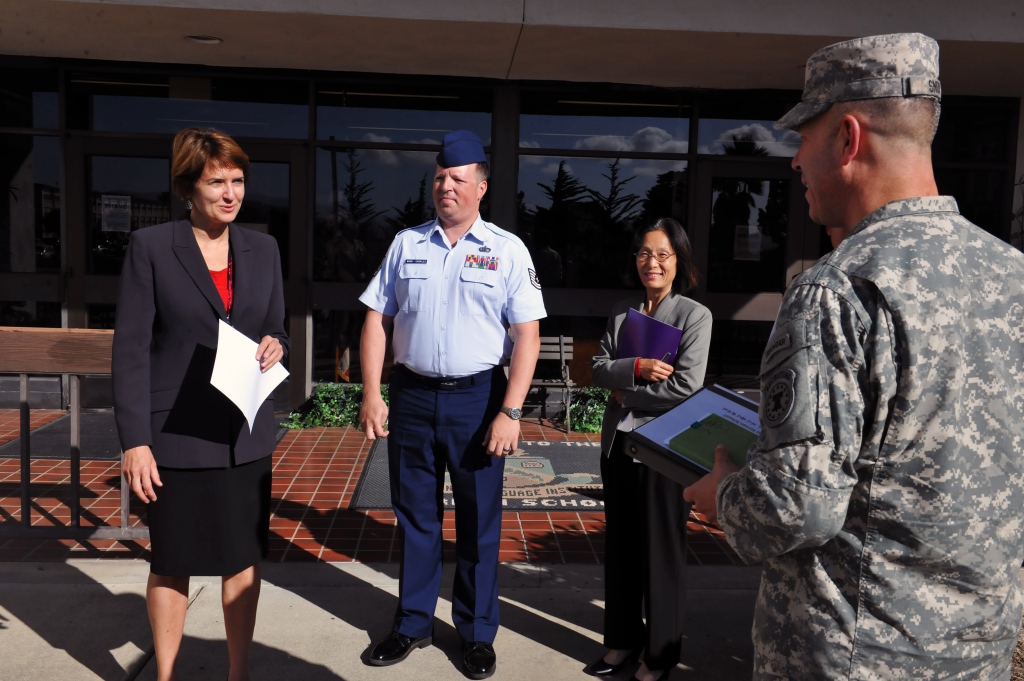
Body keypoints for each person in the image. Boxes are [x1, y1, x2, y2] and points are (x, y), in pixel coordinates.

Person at [683, 33, 1024, 679]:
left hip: (855, 657)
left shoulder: (838, 287)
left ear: (847, 137)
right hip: (978, 653)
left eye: (803, 138)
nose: (794, 161)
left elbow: (795, 506)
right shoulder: (1012, 274)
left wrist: (720, 495)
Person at [357, 130, 545, 679]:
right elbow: (376, 319)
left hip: (478, 401)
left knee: (479, 522)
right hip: (412, 397)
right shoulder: (406, 245)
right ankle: (413, 622)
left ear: (480, 187)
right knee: (416, 517)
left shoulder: (506, 250)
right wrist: (372, 392)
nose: (446, 187)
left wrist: (511, 411)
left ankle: (477, 632)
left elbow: (527, 336)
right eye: (440, 177)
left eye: (458, 179)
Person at [113, 127, 288, 681]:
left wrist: (277, 343)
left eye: (237, 180)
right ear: (188, 187)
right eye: (217, 182)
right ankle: (166, 674)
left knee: (242, 559)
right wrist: (135, 442)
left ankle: (239, 673)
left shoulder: (264, 249)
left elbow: (276, 326)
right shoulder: (151, 247)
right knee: (172, 561)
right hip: (176, 436)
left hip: (243, 434)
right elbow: (130, 351)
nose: (230, 193)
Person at [587, 218, 711, 681]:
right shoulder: (622, 311)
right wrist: (636, 366)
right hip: (619, 444)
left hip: (663, 449)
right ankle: (621, 642)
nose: (651, 262)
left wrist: (627, 393)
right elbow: (597, 368)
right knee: (621, 548)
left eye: (662, 254)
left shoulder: (694, 315)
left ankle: (659, 655)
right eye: (644, 253)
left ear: (679, 261)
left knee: (661, 553)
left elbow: (686, 387)